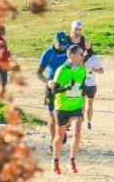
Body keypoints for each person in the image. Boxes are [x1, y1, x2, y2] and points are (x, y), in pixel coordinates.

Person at [49, 45, 87, 175]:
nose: (83, 56)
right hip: (63, 106)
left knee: (77, 132)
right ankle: (55, 161)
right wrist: (66, 87)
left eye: (83, 54)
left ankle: (72, 161)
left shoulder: (82, 69)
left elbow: (82, 88)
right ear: (72, 56)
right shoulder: (61, 70)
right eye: (81, 54)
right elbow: (55, 90)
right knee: (60, 136)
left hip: (77, 106)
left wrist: (83, 106)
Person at [37, 33, 71, 141]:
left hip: (67, 86)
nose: (62, 47)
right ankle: (53, 140)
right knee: (51, 114)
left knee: (66, 113)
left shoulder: (69, 51)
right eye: (60, 44)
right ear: (54, 42)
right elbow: (38, 73)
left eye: (64, 44)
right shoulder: (48, 53)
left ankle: (63, 129)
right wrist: (48, 81)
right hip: (52, 87)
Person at [82, 48, 103, 130]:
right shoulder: (79, 55)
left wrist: (96, 70)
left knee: (90, 104)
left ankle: (89, 122)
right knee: (81, 104)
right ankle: (81, 117)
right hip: (81, 84)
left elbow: (102, 71)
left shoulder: (94, 57)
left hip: (91, 84)